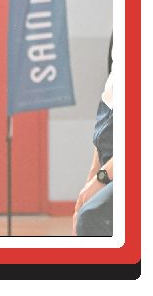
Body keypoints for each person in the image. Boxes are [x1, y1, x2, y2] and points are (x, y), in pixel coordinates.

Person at [73, 58, 114, 236]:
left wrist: (101, 178)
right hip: (109, 163)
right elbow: (108, 109)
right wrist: (92, 177)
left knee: (93, 217)